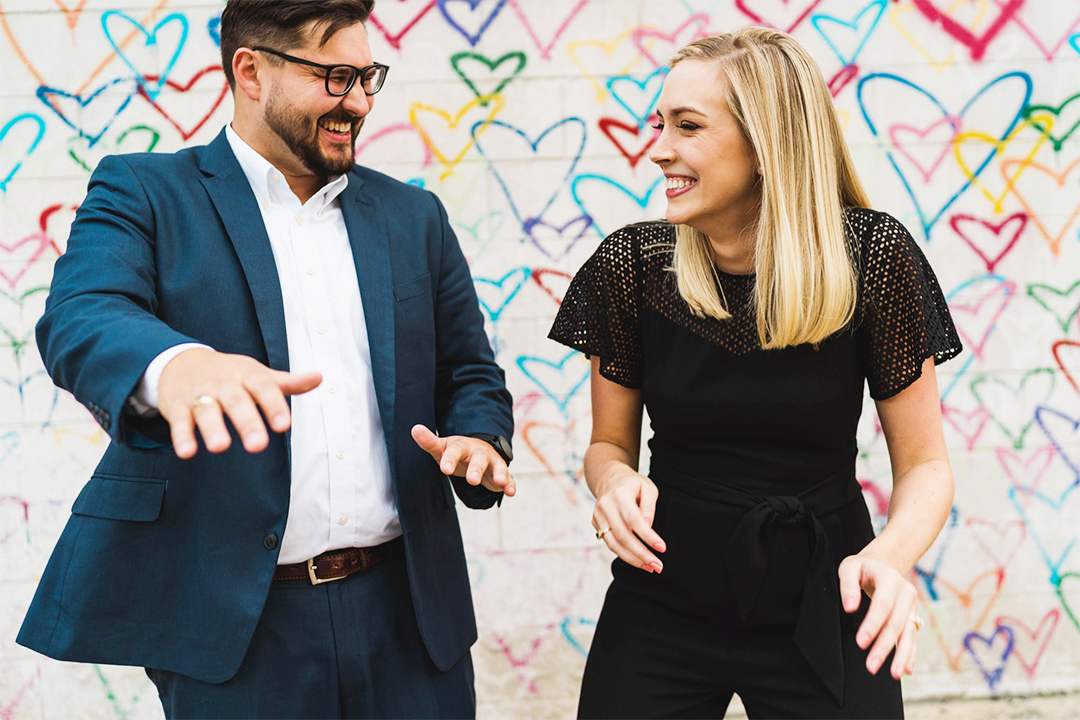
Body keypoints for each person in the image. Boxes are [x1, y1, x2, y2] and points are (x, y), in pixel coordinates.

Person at [17, 1, 515, 717]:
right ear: (250, 70)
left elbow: (470, 371)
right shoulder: (145, 191)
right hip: (238, 633)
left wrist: (478, 437)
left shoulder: (415, 217)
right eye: (337, 76)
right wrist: (175, 365)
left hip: (412, 622)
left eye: (369, 76)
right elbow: (80, 314)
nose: (361, 101)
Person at [549, 28, 960, 719]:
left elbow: (926, 466)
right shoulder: (632, 266)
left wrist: (888, 558)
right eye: (660, 125)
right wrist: (614, 482)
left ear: (767, 145)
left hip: (830, 593)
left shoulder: (875, 257)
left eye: (688, 127)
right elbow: (608, 447)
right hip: (664, 596)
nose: (658, 149)